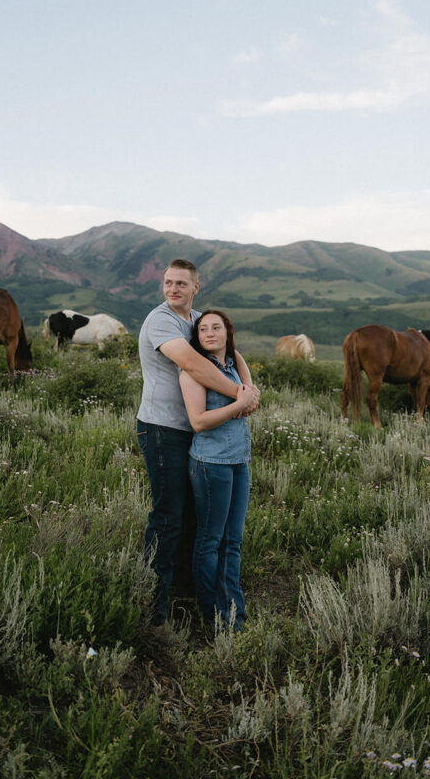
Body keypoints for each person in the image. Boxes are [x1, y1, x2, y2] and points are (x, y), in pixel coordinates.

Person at [136, 259, 258, 634]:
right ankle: (154, 609)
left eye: (181, 284)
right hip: (163, 430)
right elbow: (193, 365)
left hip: (195, 434)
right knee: (169, 515)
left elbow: (233, 352)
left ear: (195, 287)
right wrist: (241, 396)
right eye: (168, 283)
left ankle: (190, 596)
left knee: (194, 518)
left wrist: (249, 386)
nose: (173, 289)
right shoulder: (161, 321)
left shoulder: (199, 319)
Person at [179, 309, 253, 631]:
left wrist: (248, 395)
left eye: (216, 328)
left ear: (226, 333)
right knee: (210, 540)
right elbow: (198, 421)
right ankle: (211, 615)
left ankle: (234, 614)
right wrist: (239, 403)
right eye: (203, 328)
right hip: (211, 465)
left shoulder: (232, 366)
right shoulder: (193, 371)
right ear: (197, 337)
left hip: (239, 462)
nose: (210, 333)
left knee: (232, 542)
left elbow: (248, 390)